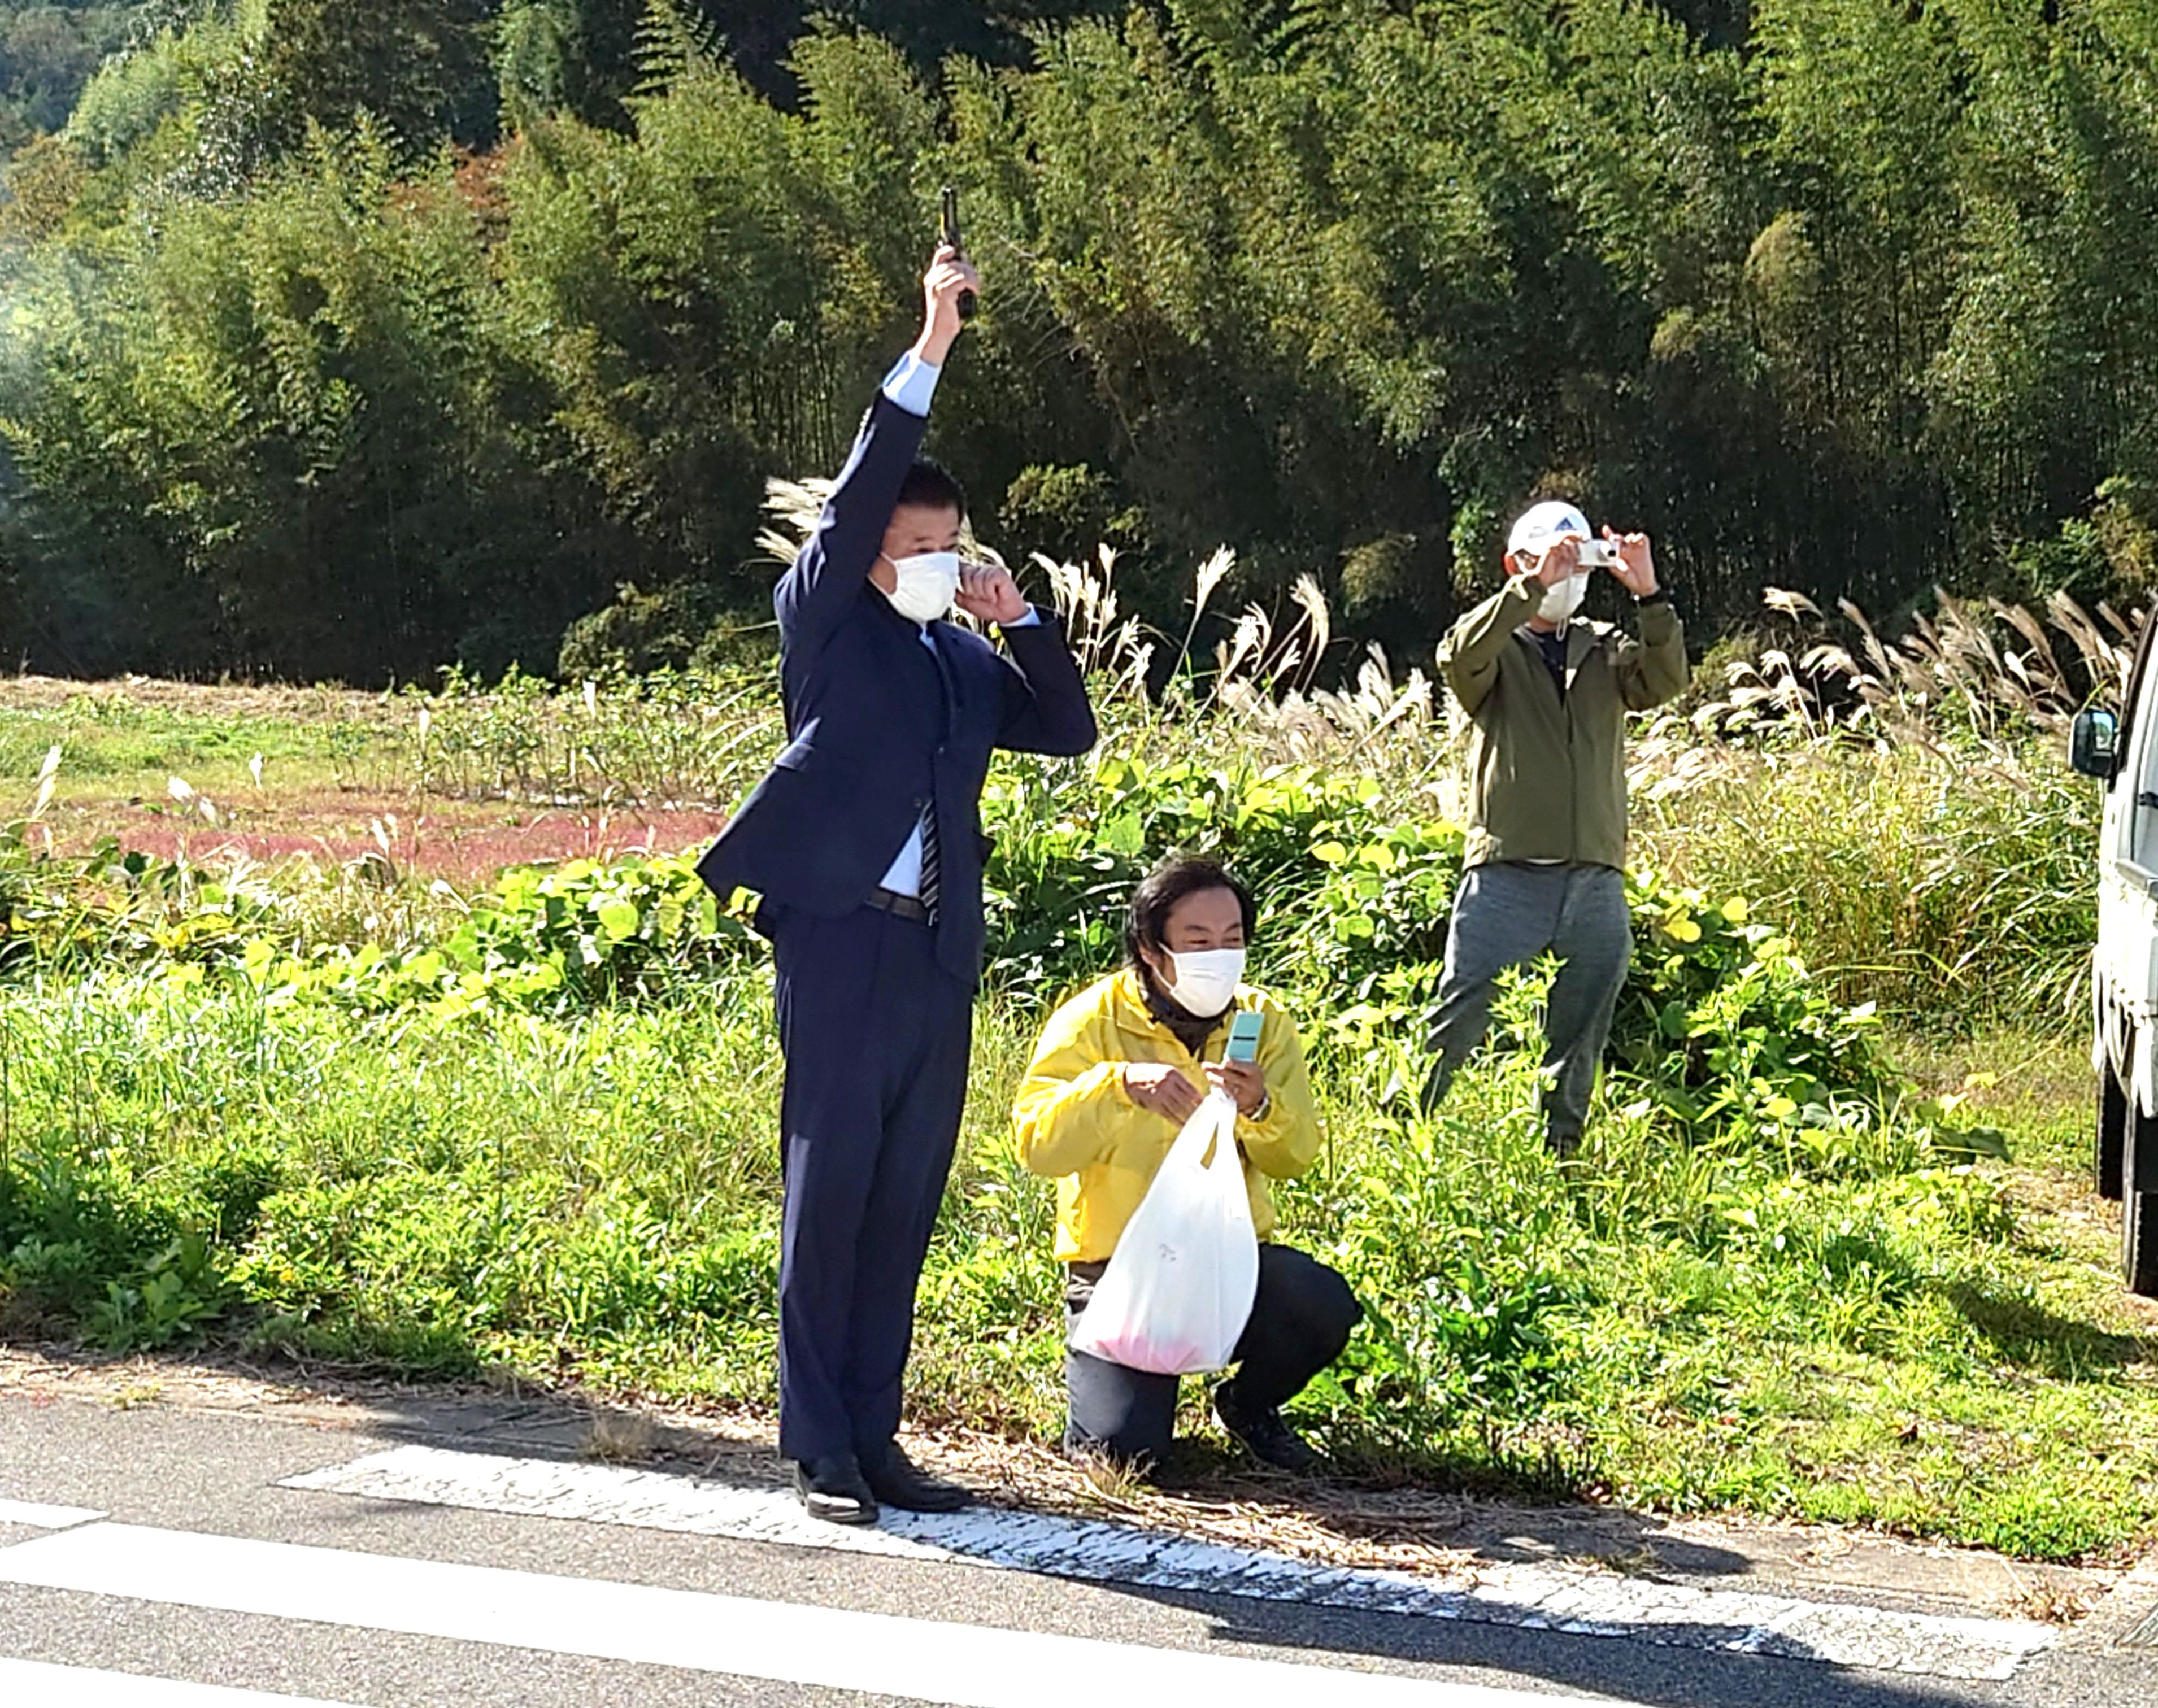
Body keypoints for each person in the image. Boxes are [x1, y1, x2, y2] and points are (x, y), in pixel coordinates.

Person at [698, 245, 1099, 1526]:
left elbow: (1067, 727)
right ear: (868, 546)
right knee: (829, 1200)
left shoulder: (958, 661)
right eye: (916, 543)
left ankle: (879, 1440)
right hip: (839, 944)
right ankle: (819, 1446)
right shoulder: (827, 619)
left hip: (935, 957)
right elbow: (871, 470)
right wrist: (934, 339)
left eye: (951, 542)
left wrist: (1017, 616)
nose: (936, 559)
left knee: (902, 1202)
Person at [1011, 857, 1359, 1476]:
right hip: (1121, 1270)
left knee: (1320, 1303)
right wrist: (1115, 1086)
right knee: (1122, 1457)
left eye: (1233, 940)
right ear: (1150, 949)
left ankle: (1248, 1406)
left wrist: (1260, 1106)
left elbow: (1296, 1157)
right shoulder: (1092, 1020)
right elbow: (1039, 1147)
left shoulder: (1262, 1022)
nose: (1218, 957)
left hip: (1228, 1259)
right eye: (1198, 942)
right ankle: (1134, 1407)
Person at [1421, 500, 1690, 1157]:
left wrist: (1648, 593)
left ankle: (1560, 1151)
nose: (1568, 575)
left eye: (1577, 562)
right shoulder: (1495, 644)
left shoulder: (1604, 646)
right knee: (1463, 1016)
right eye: (1552, 559)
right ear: (1518, 565)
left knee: (1580, 1027)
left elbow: (1666, 679)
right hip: (1506, 874)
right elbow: (1458, 658)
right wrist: (1531, 588)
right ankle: (1421, 1134)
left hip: (1594, 876)